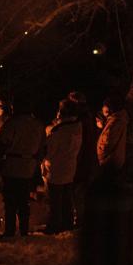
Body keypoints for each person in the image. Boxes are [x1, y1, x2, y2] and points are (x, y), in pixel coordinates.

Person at [0, 97, 45, 237]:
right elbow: (42, 147)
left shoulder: (12, 123)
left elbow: (0, 142)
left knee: (10, 200)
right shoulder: (37, 125)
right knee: (24, 200)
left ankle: (9, 230)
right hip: (28, 167)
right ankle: (24, 230)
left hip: (12, 166)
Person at [43, 99, 83, 233]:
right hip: (70, 167)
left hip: (55, 170)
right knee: (66, 199)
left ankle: (54, 226)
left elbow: (49, 151)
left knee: (54, 200)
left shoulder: (59, 131)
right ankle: (67, 223)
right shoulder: (77, 127)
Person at [68, 90, 98, 227]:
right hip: (86, 157)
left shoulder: (81, 119)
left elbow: (83, 140)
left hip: (82, 158)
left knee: (79, 190)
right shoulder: (87, 116)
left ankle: (81, 219)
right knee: (81, 190)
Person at [97, 92, 129, 176]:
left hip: (109, 162)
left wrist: (99, 158)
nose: (102, 109)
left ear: (110, 108)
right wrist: (103, 126)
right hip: (114, 159)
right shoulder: (117, 119)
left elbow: (107, 142)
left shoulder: (115, 122)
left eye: (104, 107)